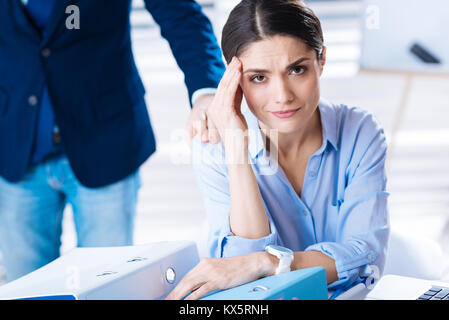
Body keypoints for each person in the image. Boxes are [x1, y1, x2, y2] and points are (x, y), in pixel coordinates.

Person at [166, 0, 390, 300]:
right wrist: (236, 148)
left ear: (321, 61)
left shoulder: (360, 131)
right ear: (234, 80)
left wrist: (267, 262)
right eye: (259, 77)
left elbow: (367, 256)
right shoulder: (214, 147)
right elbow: (245, 287)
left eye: (297, 69)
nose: (282, 96)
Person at [0, 0, 225, 283]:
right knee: (25, 285)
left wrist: (206, 91)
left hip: (106, 138)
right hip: (14, 145)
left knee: (106, 283)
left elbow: (180, 14)